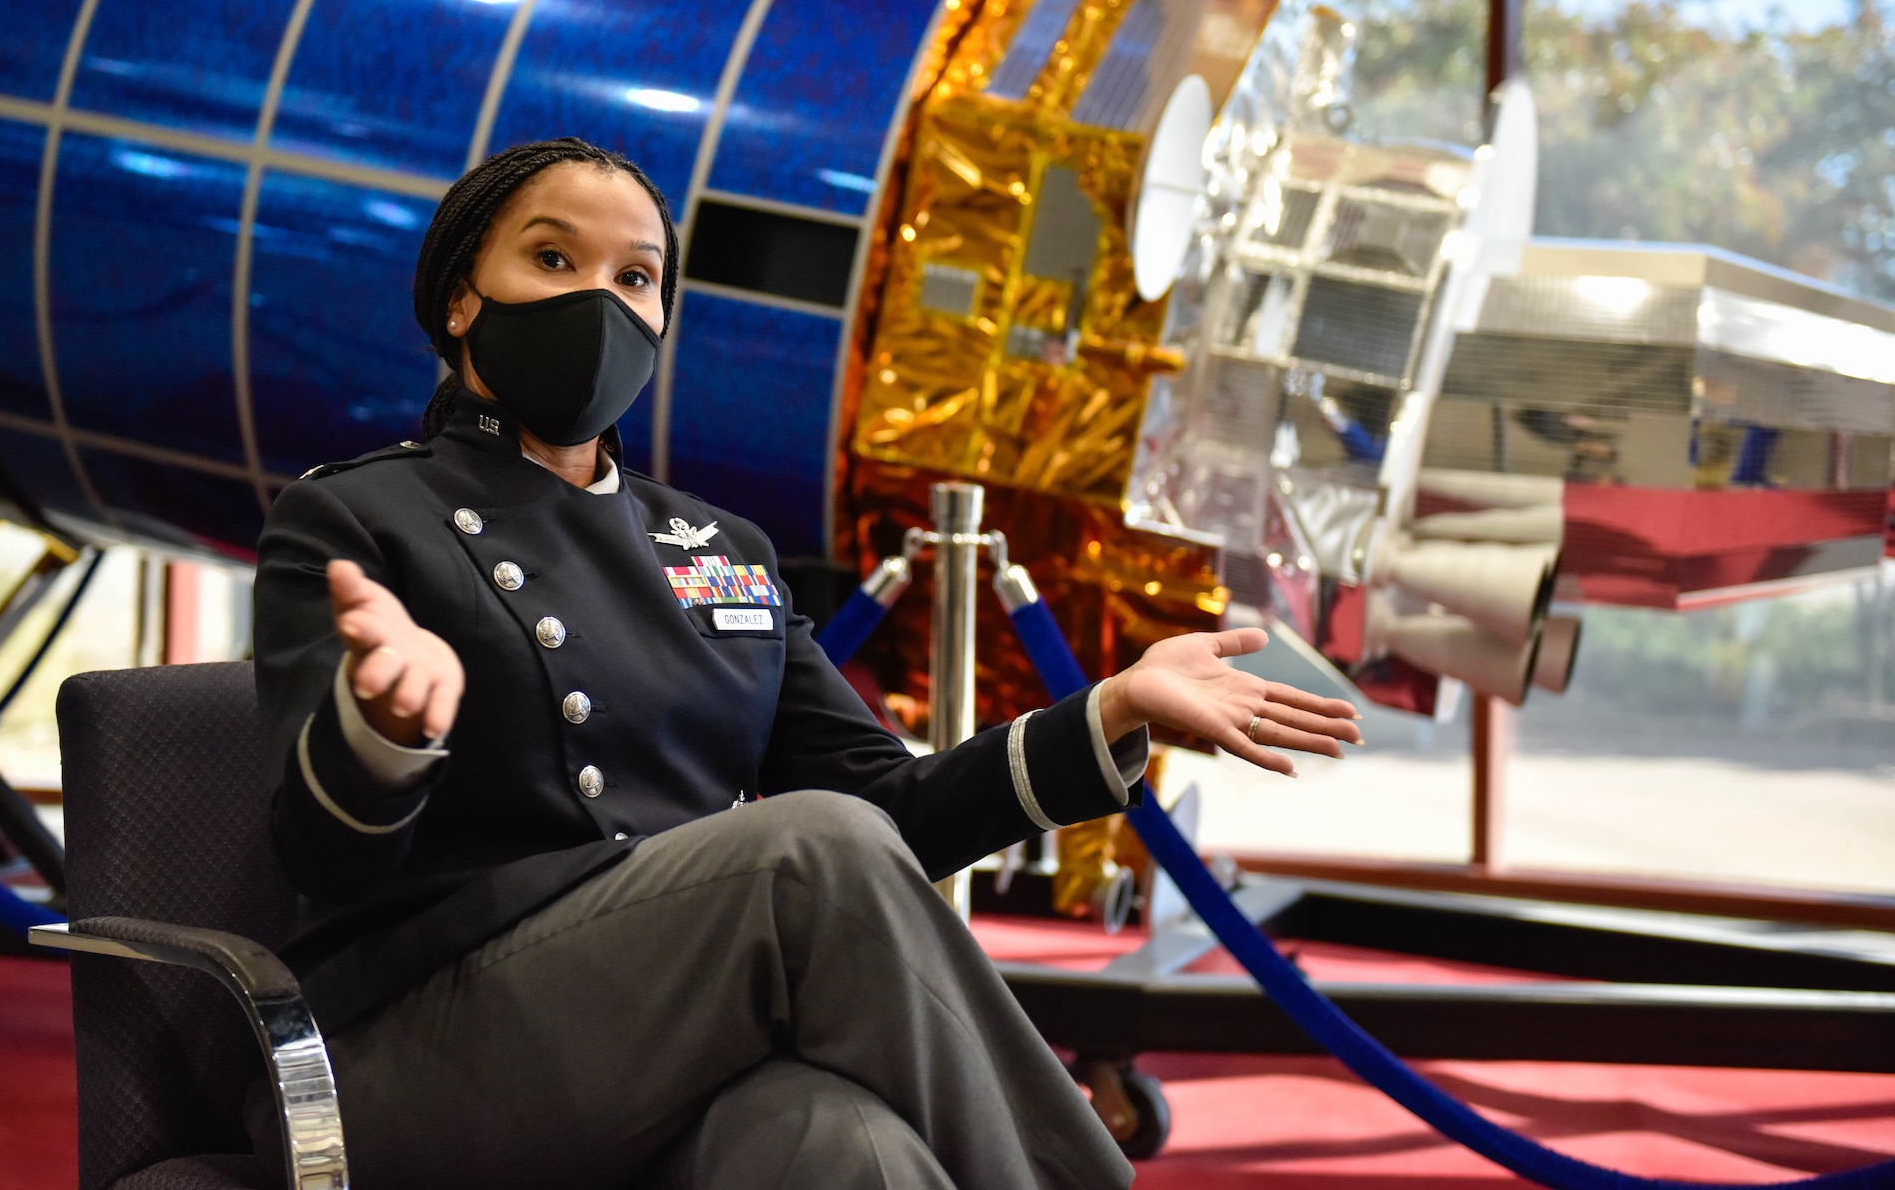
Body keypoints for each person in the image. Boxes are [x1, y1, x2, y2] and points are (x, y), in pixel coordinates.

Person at [251, 137, 1363, 1190]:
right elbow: (319, 853)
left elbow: (890, 811)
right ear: (460, 298)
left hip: (677, 1021)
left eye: (637, 279)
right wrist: (381, 732)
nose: (601, 299)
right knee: (807, 850)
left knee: (843, 1144)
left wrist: (1107, 710)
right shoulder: (358, 516)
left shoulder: (715, 552)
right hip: (428, 1045)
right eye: (552, 259)